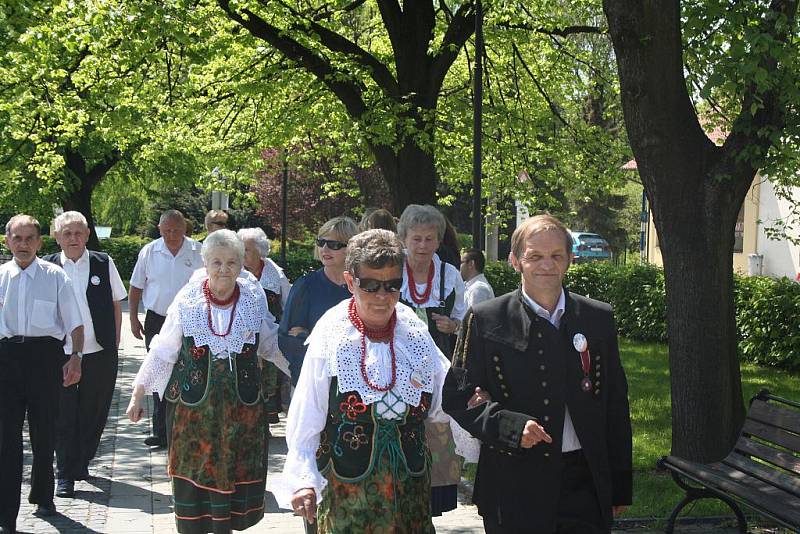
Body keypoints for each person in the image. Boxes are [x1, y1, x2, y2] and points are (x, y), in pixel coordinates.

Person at [442, 214, 633, 533]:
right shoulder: (486, 318)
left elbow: (614, 403)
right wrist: (511, 426)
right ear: (515, 261)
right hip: (514, 480)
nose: (547, 264)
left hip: (583, 479)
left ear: (570, 260)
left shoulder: (597, 317)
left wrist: (619, 482)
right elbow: (458, 397)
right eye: (535, 256)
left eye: (557, 255)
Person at [273, 229, 450, 533]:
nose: (382, 297)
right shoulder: (331, 335)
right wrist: (303, 481)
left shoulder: (416, 334)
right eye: (369, 286)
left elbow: (447, 402)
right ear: (350, 281)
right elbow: (306, 417)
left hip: (409, 494)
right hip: (346, 494)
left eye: (392, 286)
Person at [127, 229, 282, 534]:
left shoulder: (252, 299)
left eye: (232, 263)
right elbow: (163, 351)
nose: (224, 269)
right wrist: (137, 393)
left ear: (241, 266)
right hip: (194, 413)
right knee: (197, 485)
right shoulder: (188, 301)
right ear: (205, 263)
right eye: (217, 262)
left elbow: (270, 345)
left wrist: (305, 370)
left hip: (242, 413)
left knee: (233, 482)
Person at [0, 215, 83, 531]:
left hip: (44, 358)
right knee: (6, 438)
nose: (23, 245)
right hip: (6, 358)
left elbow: (75, 321)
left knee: (44, 430)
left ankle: (43, 495)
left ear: (39, 242)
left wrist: (75, 358)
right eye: (17, 239)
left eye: (29, 238)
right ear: (8, 241)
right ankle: (6, 513)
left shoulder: (55, 276)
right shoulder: (0, 276)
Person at [43, 211, 127, 499]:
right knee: (64, 414)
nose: (73, 238)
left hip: (99, 350)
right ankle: (65, 473)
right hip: (61, 353)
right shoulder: (49, 267)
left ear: (88, 235)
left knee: (94, 412)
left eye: (78, 233)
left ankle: (81, 460)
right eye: (67, 233)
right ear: (57, 237)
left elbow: (117, 303)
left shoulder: (103, 263)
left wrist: (116, 341)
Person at [397, 204, 466, 516]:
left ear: (439, 241)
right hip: (398, 365)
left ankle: (429, 509)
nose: (422, 245)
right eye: (416, 239)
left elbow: (466, 321)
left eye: (429, 239)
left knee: (435, 433)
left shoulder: (449, 275)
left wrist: (453, 326)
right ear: (404, 239)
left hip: (438, 366)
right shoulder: (393, 271)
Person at [129, 209, 202, 447]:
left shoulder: (197, 251)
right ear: (160, 230)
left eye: (176, 230)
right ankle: (160, 430)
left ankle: (183, 428)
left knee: (186, 371)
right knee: (158, 371)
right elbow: (136, 287)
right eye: (167, 230)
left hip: (190, 321)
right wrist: (133, 318)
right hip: (157, 319)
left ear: (185, 229)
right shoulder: (150, 251)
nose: (172, 235)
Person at [278, 216, 357, 385]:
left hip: (355, 382)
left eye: (334, 245)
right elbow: (288, 340)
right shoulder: (305, 285)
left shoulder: (363, 287)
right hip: (310, 380)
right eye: (321, 242)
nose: (325, 249)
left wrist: (312, 337)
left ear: (351, 248)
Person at [238, 227, 291, 425]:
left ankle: (264, 421)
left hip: (270, 336)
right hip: (244, 338)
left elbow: (288, 303)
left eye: (247, 250)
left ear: (260, 252)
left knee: (268, 380)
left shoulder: (276, 274)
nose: (242, 254)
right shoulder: (237, 272)